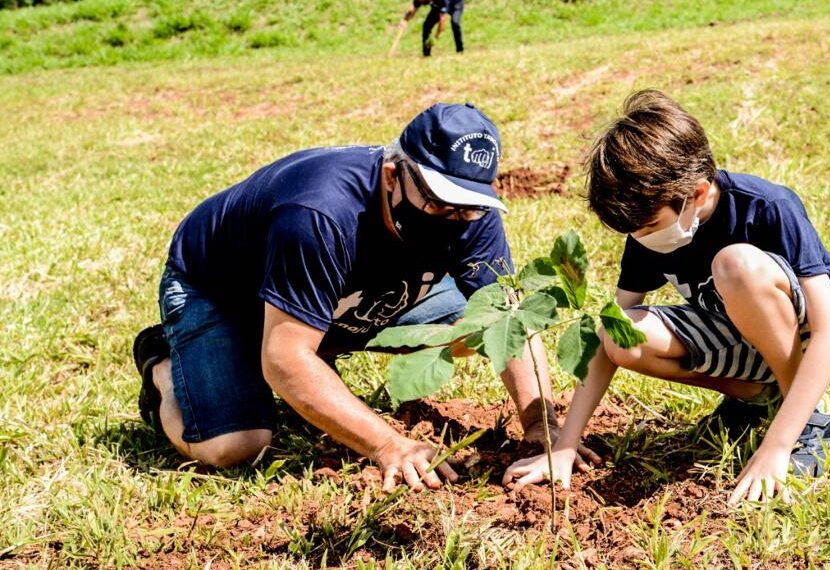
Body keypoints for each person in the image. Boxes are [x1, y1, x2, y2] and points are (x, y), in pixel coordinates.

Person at [132, 102, 598, 492]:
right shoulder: (319, 214)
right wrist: (388, 444)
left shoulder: (471, 214)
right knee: (233, 445)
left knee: (471, 323)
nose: (453, 217)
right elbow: (283, 361)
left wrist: (543, 426)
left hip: (340, 292)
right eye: (437, 201)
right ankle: (165, 367)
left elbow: (507, 318)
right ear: (394, 175)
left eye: (467, 205)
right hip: (221, 292)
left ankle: (317, 336)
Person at [502, 90, 830, 504]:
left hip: (826, 335)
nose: (641, 239)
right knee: (620, 335)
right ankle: (753, 397)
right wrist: (566, 444)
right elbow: (613, 330)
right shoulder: (648, 234)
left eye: (648, 225)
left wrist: (777, 446)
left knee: (736, 266)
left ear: (695, 193)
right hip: (744, 338)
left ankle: (804, 420)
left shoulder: (766, 206)